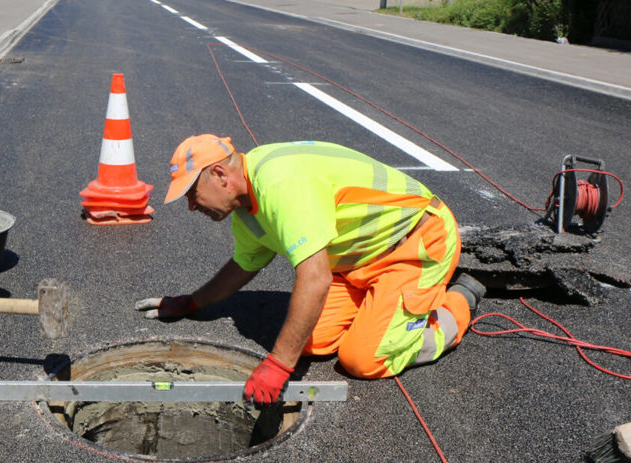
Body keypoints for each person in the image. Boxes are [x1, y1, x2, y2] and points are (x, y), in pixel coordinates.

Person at [136, 135, 485, 406]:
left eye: (192, 194)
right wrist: (191, 304)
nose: (192, 206)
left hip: (415, 244)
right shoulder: (246, 210)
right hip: (356, 262)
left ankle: (457, 303)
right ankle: (381, 308)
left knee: (362, 359)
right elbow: (242, 267)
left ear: (219, 174)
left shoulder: (280, 184)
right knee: (309, 342)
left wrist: (277, 366)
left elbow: (315, 277)